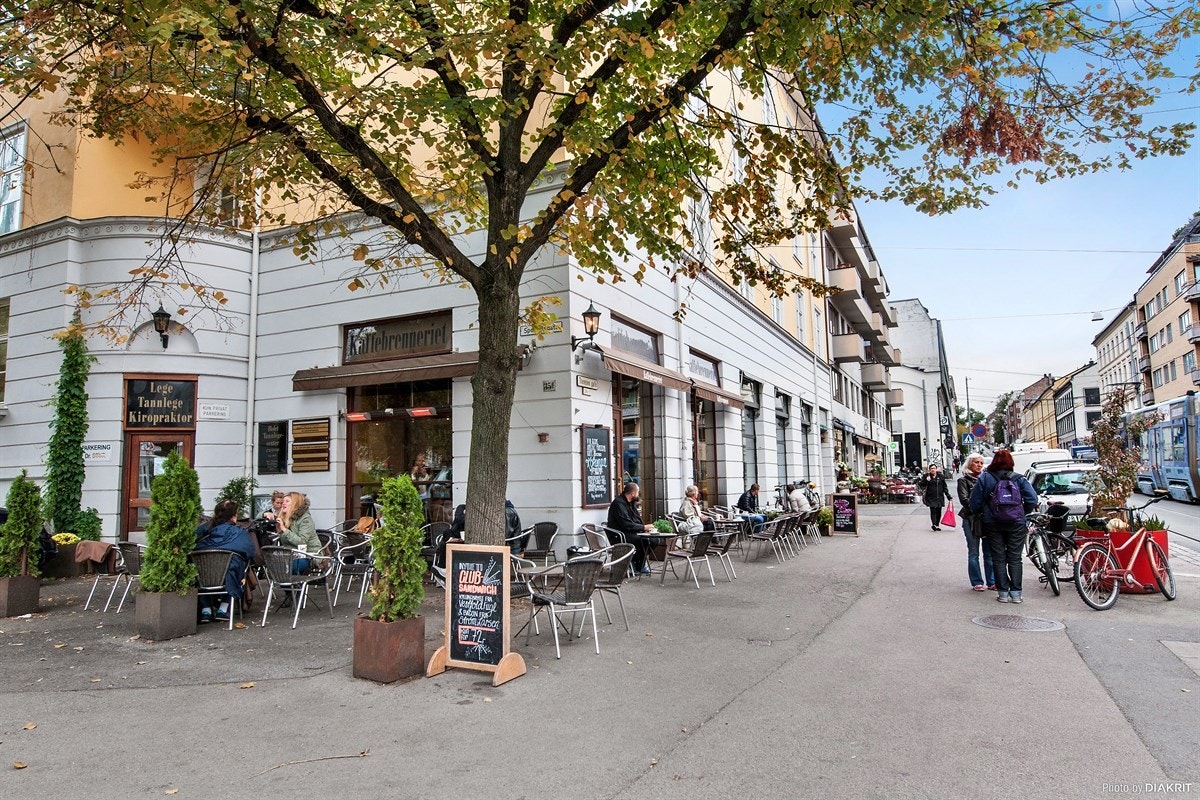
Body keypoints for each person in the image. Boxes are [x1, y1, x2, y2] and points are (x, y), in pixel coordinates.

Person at [969, 450, 1038, 604]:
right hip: (1016, 523)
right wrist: (1022, 512)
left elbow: (974, 502)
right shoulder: (1019, 478)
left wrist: (983, 513)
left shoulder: (985, 478)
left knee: (998, 558)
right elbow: (1032, 499)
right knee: (1015, 558)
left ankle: (1003, 594)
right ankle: (1016, 594)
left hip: (992, 523)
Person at [194, 499, 258, 621]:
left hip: (204, 577)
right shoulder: (239, 533)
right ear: (234, 516)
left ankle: (205, 610)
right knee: (237, 568)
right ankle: (223, 608)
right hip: (228, 577)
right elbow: (250, 553)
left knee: (198, 569)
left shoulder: (202, 531)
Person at [956, 454, 995, 592]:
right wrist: (979, 507)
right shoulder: (963, 480)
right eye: (976, 462)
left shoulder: (986, 479)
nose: (979, 465)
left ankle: (992, 581)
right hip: (971, 519)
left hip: (986, 519)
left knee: (989, 552)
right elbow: (964, 500)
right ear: (970, 464)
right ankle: (977, 581)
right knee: (973, 552)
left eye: (981, 462)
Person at [606, 481, 656, 574]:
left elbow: (636, 518)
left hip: (631, 532)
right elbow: (626, 524)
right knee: (646, 541)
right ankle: (636, 563)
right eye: (637, 492)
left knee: (654, 540)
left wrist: (645, 528)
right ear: (633, 493)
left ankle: (637, 562)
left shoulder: (631, 503)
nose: (638, 495)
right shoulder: (618, 504)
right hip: (620, 535)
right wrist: (643, 527)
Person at [278, 491, 321, 573]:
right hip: (290, 555)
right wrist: (264, 514)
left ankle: (291, 584)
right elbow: (263, 518)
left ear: (295, 504)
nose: (283, 504)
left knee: (291, 566)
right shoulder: (285, 517)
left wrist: (284, 530)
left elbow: (302, 542)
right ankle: (286, 585)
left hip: (309, 555)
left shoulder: (305, 519)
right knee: (275, 564)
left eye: (287, 501)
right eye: (283, 501)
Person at [918, 464, 953, 531]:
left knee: (938, 511)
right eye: (931, 468)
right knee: (933, 510)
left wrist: (948, 495)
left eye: (934, 468)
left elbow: (944, 487)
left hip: (939, 496)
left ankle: (937, 525)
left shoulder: (941, 476)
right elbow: (921, 484)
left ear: (936, 469)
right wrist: (926, 480)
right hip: (931, 496)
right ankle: (934, 524)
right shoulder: (927, 476)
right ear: (929, 470)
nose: (932, 470)